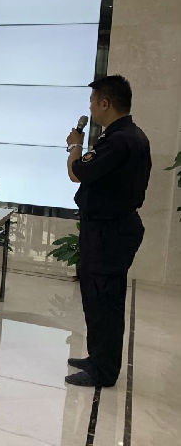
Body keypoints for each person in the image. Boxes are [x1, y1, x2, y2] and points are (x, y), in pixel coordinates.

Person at [65, 75, 150, 387]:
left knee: (104, 300)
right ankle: (98, 358)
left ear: (105, 103)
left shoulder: (119, 140)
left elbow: (78, 172)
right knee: (99, 297)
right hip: (108, 228)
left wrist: (75, 145)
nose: (89, 108)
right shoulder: (125, 136)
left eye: (92, 101)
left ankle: (103, 370)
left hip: (110, 231)